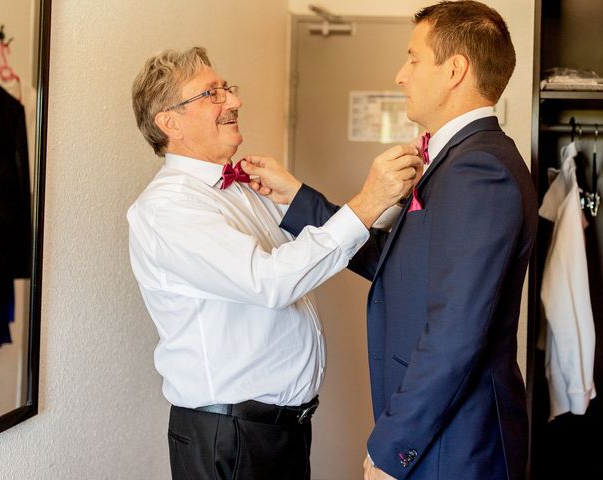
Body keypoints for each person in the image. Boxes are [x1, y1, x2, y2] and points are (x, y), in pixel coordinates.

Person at [243, 2, 538, 479]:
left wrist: (393, 445)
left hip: (455, 443)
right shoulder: (462, 161)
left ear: (455, 71)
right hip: (441, 430)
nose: (401, 75)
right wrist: (299, 199)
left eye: (414, 59)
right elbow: (397, 261)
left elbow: (456, 333)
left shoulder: (479, 171)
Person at [127, 47, 421, 480]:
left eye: (227, 88)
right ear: (170, 122)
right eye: (212, 93)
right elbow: (272, 281)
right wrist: (366, 201)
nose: (234, 101)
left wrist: (386, 202)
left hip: (281, 432)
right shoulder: (168, 209)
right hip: (229, 440)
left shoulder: (243, 189)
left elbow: (310, 253)